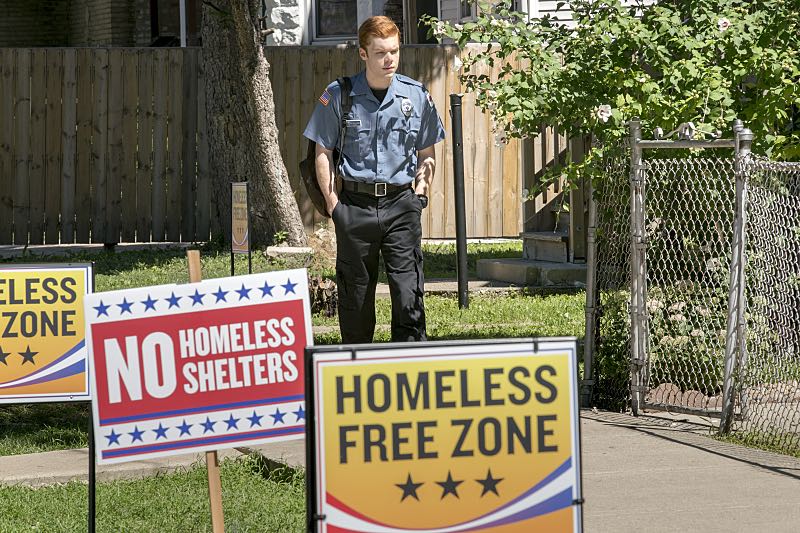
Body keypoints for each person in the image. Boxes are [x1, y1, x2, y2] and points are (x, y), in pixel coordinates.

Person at [303, 16, 446, 344]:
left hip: (401, 205)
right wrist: (333, 204)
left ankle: (409, 366)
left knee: (408, 290)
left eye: (394, 51)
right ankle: (357, 366)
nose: (390, 59)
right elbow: (321, 153)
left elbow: (427, 153)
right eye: (381, 52)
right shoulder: (340, 95)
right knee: (355, 295)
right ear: (363, 54)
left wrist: (420, 195)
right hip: (354, 207)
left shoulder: (415, 96)